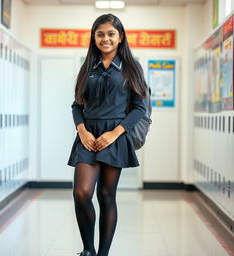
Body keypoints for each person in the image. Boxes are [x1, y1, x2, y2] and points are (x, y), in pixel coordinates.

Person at [67, 13, 148, 256]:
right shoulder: (87, 67)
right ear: (93, 37)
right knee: (81, 193)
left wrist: (115, 133)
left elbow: (139, 108)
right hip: (88, 136)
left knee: (106, 195)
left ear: (120, 37)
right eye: (100, 34)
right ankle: (88, 249)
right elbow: (77, 105)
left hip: (115, 137)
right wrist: (81, 130)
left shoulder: (131, 68)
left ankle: (102, 253)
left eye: (111, 34)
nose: (105, 38)